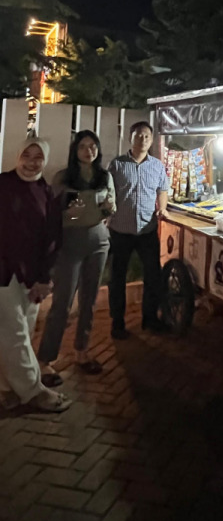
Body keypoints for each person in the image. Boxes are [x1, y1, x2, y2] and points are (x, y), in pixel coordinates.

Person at [38, 131, 116, 381]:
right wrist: (78, 210)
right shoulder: (63, 177)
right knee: (62, 302)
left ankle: (82, 351)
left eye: (93, 146)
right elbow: (54, 212)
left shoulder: (104, 176)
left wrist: (105, 210)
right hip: (70, 243)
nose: (88, 151)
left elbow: (110, 205)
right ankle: (45, 360)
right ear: (75, 150)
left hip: (98, 241)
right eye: (83, 146)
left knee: (89, 300)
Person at [0, 138, 71, 413]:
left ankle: (6, 387)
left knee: (21, 332)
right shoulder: (3, 184)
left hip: (32, 276)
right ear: (18, 156)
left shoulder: (47, 192)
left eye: (38, 157)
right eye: (26, 155)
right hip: (4, 273)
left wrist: (45, 278)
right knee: (15, 332)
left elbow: (53, 239)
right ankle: (34, 391)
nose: (31, 162)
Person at [108, 120, 170, 339]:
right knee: (117, 278)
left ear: (151, 140)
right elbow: (108, 192)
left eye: (146, 136)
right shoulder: (117, 165)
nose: (142, 139)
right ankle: (117, 322)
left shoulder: (157, 166)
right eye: (138, 135)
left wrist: (162, 208)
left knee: (153, 275)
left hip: (147, 230)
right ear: (130, 138)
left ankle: (150, 318)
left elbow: (163, 189)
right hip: (120, 231)